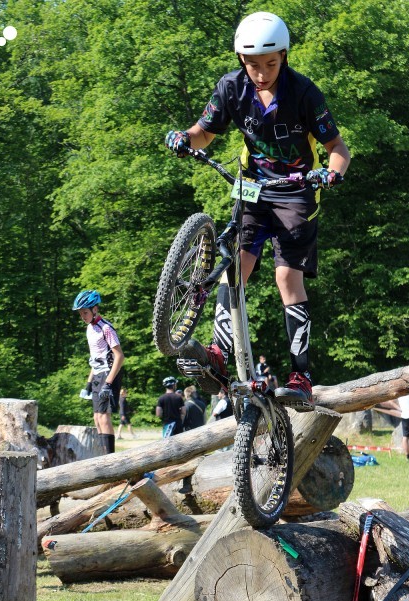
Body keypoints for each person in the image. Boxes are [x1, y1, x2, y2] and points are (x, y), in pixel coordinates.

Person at [166, 11, 350, 410]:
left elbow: (338, 149)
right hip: (252, 188)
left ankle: (301, 375)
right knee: (236, 268)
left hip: (297, 191)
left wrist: (330, 175)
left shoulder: (304, 93)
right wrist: (185, 138)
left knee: (287, 278)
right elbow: (205, 132)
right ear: (241, 61)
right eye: (253, 65)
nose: (261, 73)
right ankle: (218, 353)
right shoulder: (231, 88)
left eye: (270, 63)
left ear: (284, 56)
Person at [72, 289, 124, 454]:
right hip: (97, 374)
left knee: (103, 416)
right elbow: (96, 359)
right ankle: (103, 456)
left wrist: (108, 383)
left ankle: (110, 459)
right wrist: (88, 382)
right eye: (80, 313)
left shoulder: (105, 328)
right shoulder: (89, 329)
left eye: (85, 312)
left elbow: (119, 356)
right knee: (96, 417)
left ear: (95, 309)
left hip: (109, 374)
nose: (83, 316)